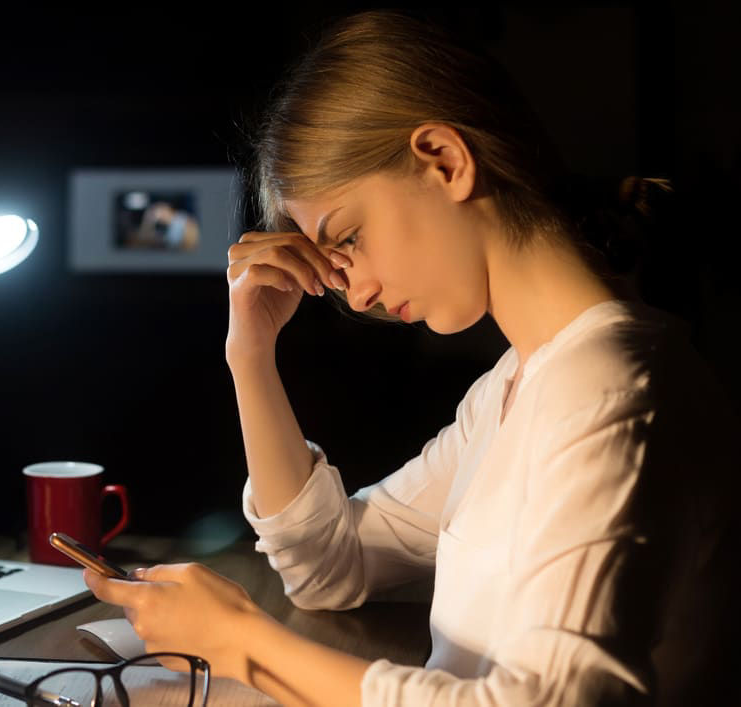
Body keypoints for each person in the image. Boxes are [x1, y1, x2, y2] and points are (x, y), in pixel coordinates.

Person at [84, 10, 738, 706]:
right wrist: (250, 352)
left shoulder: (611, 383)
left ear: (446, 161)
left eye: (352, 235)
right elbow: (330, 565)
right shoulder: (512, 389)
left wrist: (245, 642)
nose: (356, 288)